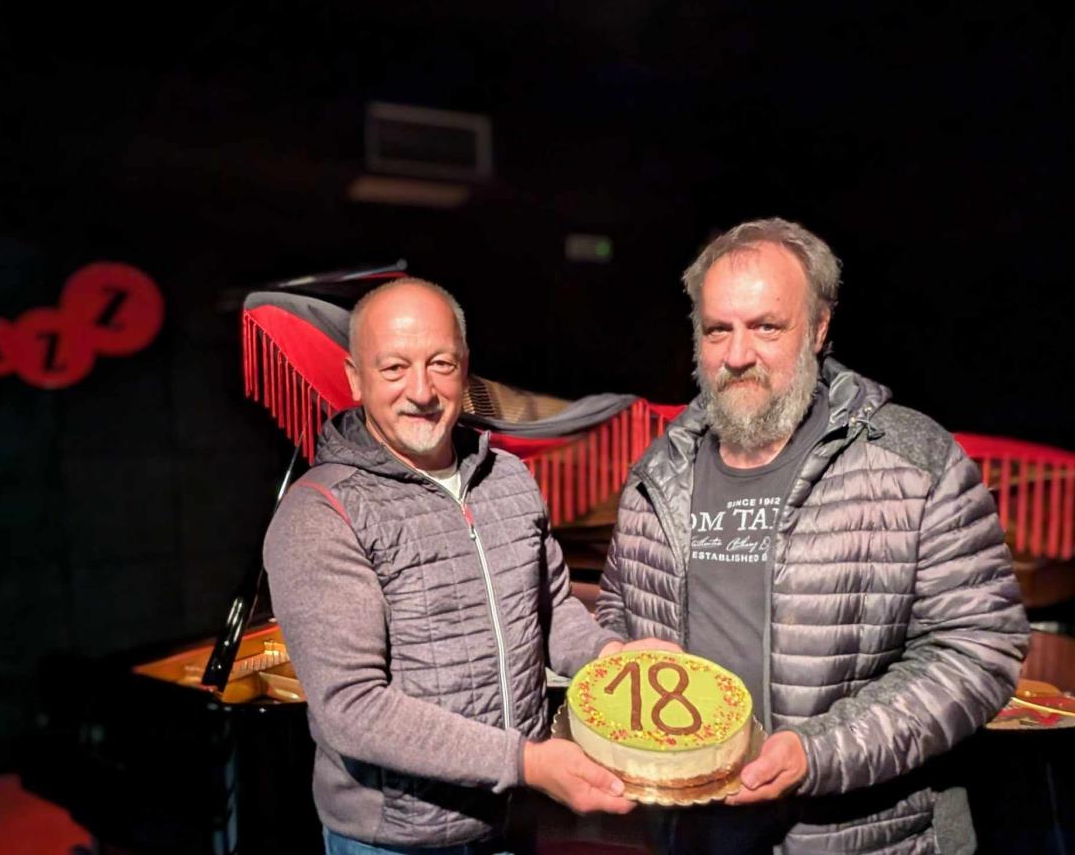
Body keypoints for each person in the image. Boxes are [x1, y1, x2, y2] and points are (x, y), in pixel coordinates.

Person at [597, 218, 1031, 854]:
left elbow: (979, 649)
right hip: (692, 835)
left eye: (766, 327)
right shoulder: (658, 473)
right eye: (717, 330)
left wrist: (818, 752)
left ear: (820, 327)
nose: (737, 355)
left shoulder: (912, 461)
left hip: (865, 838)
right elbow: (618, 612)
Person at [265, 278, 671, 855]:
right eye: (394, 368)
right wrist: (525, 763)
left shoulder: (508, 478)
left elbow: (549, 610)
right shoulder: (322, 512)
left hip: (512, 818)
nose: (421, 391)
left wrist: (610, 658)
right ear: (355, 378)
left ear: (465, 368)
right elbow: (351, 710)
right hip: (400, 839)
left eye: (441, 364)